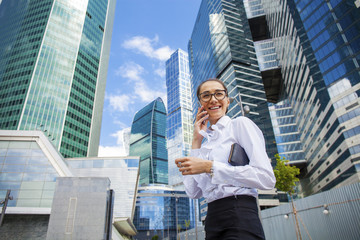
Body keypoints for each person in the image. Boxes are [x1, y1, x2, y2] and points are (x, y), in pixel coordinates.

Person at [175, 78, 276, 240]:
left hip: (239, 211)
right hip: (212, 218)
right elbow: (193, 192)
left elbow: (266, 178)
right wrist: (196, 141)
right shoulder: (206, 144)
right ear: (201, 103)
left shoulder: (239, 125)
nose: (213, 99)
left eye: (219, 94)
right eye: (206, 95)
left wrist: (211, 167)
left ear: (227, 100)